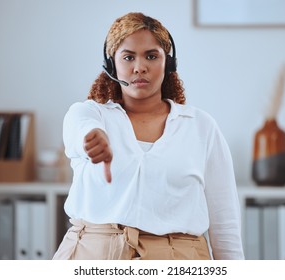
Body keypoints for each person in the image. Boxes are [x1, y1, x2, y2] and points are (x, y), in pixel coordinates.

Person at [53, 12, 244, 260]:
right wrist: (92, 137)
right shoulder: (89, 114)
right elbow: (80, 128)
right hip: (93, 255)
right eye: (128, 57)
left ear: (169, 63)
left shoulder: (201, 126)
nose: (139, 67)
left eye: (151, 56)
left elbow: (225, 220)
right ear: (112, 65)